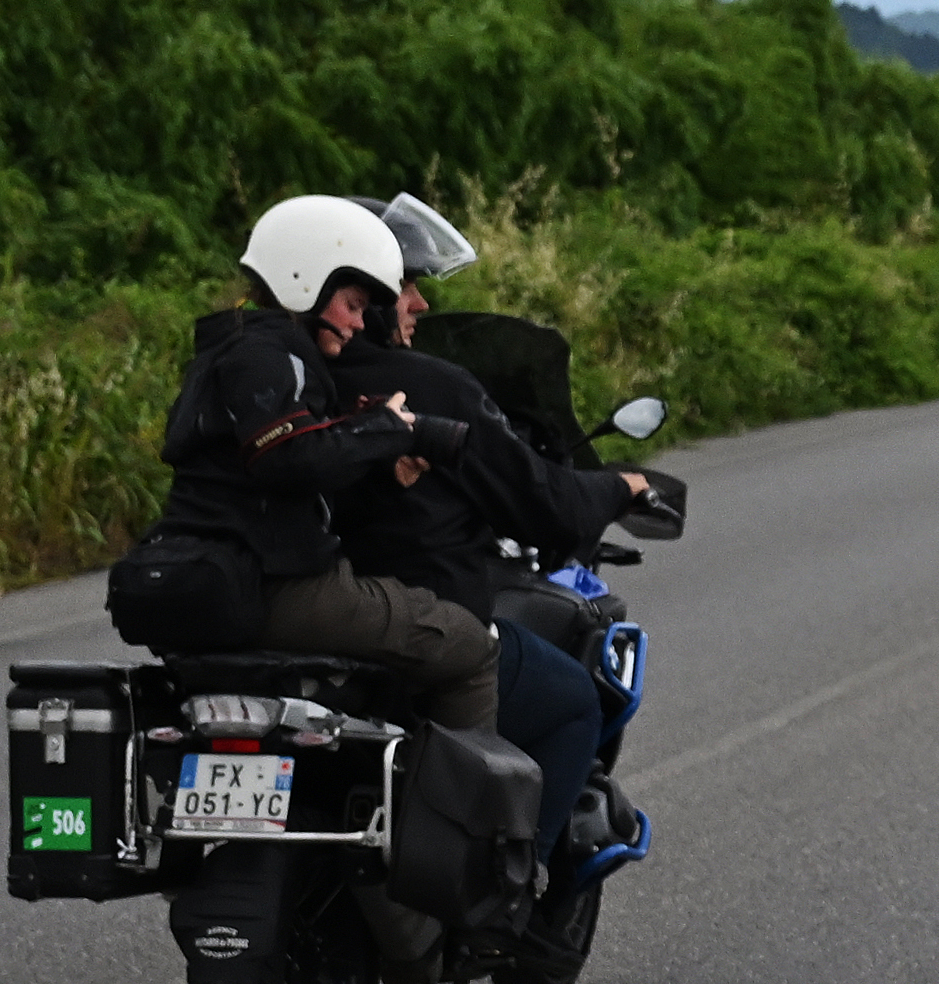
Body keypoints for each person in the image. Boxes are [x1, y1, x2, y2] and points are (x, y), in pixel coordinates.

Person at [329, 199, 663, 889]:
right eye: (403, 286)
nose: (419, 303)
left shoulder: (278, 380)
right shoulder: (429, 386)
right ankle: (510, 891)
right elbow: (545, 506)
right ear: (356, 294)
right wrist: (618, 487)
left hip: (296, 630)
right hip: (412, 629)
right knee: (572, 702)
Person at [103, 196, 498, 737]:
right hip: (275, 586)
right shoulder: (271, 355)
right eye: (353, 304)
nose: (359, 324)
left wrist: (382, 467)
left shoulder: (228, 349)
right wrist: (387, 428)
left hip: (212, 576)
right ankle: (458, 795)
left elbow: (261, 476)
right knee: (470, 646)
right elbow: (285, 457)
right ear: (306, 283)